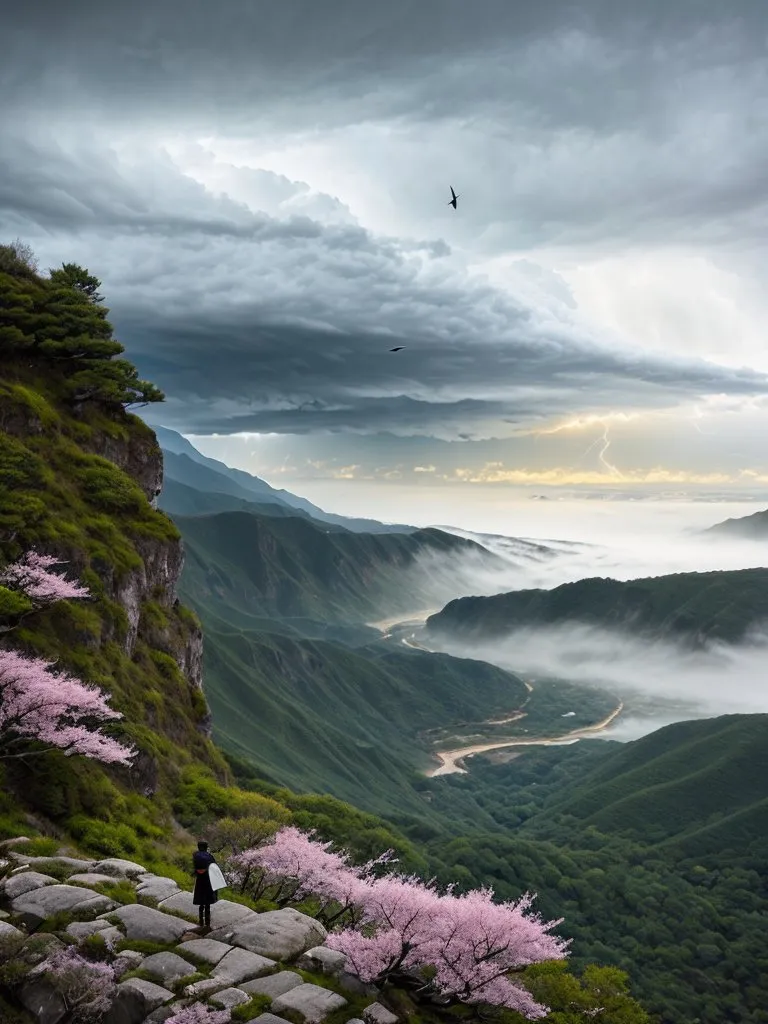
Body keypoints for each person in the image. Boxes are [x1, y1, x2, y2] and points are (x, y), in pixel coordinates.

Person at [192, 840, 219, 929]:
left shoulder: (195, 855)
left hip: (199, 880)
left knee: (201, 902)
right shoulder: (209, 856)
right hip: (208, 880)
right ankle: (207, 924)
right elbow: (214, 866)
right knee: (207, 903)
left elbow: (195, 867)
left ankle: (200, 922)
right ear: (206, 847)